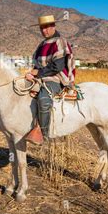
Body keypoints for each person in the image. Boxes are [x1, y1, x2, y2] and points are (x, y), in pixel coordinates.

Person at [24, 15, 75, 145]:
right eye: (42, 28)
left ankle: (44, 135)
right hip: (41, 77)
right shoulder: (42, 45)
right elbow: (37, 65)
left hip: (56, 78)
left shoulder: (60, 41)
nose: (44, 31)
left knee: (43, 99)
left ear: (53, 26)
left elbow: (57, 66)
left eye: (46, 27)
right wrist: (31, 73)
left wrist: (38, 72)